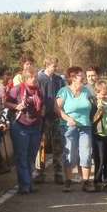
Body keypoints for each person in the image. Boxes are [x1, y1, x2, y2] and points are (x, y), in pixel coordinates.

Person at [5, 65, 44, 194]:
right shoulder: (17, 89)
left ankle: (29, 183)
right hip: (20, 125)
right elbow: (5, 102)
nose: (34, 79)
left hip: (35, 125)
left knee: (31, 156)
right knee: (22, 156)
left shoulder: (38, 90)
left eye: (35, 77)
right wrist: (16, 106)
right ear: (26, 78)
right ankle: (25, 185)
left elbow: (42, 106)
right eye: (31, 77)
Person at [56, 66, 94, 192]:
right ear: (72, 77)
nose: (83, 77)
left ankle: (86, 182)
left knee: (86, 154)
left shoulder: (87, 91)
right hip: (69, 127)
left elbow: (93, 106)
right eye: (80, 75)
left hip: (85, 127)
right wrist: (68, 119)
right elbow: (57, 108)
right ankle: (68, 181)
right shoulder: (64, 91)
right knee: (70, 155)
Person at [35, 56, 64, 184]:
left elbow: (63, 95)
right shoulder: (39, 79)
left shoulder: (59, 80)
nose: (56, 68)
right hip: (43, 118)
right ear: (47, 65)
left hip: (56, 117)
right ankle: (40, 172)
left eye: (56, 66)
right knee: (41, 145)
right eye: (54, 66)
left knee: (58, 145)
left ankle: (58, 173)